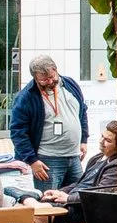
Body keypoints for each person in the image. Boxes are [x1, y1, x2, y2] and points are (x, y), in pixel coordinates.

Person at [9, 56, 89, 191]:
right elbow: (18, 132)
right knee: (49, 199)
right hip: (47, 159)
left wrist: (83, 140)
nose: (50, 82)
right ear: (35, 77)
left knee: (76, 198)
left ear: (56, 70)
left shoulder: (70, 84)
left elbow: (82, 112)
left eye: (52, 77)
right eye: (44, 80)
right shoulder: (25, 98)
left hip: (74, 156)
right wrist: (32, 161)